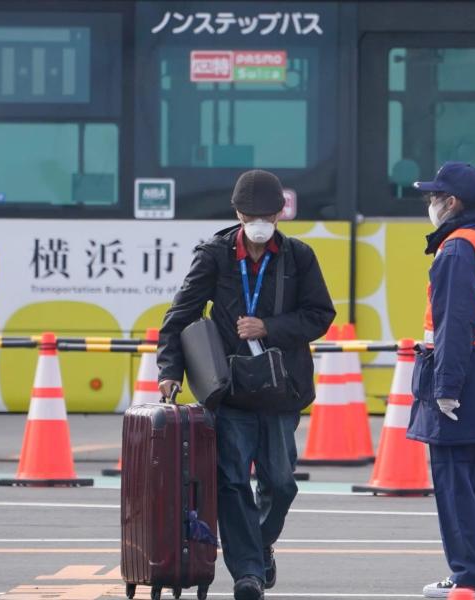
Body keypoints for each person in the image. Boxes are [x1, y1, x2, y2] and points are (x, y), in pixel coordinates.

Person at [156, 169, 335, 600]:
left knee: (280, 482)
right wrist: (169, 372)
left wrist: (268, 327)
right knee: (232, 481)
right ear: (237, 213)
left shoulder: (299, 257)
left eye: (266, 214)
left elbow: (320, 315)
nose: (258, 221)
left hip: (280, 388)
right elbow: (180, 317)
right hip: (230, 389)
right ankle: (248, 573)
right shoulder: (214, 255)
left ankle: (261, 543)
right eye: (250, 214)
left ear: (280, 213)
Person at [406, 162, 475, 598]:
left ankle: (468, 579)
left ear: (450, 203)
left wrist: (446, 388)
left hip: (462, 374)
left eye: (433, 197)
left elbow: (454, 322)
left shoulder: (456, 249)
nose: (430, 205)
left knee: (455, 484)